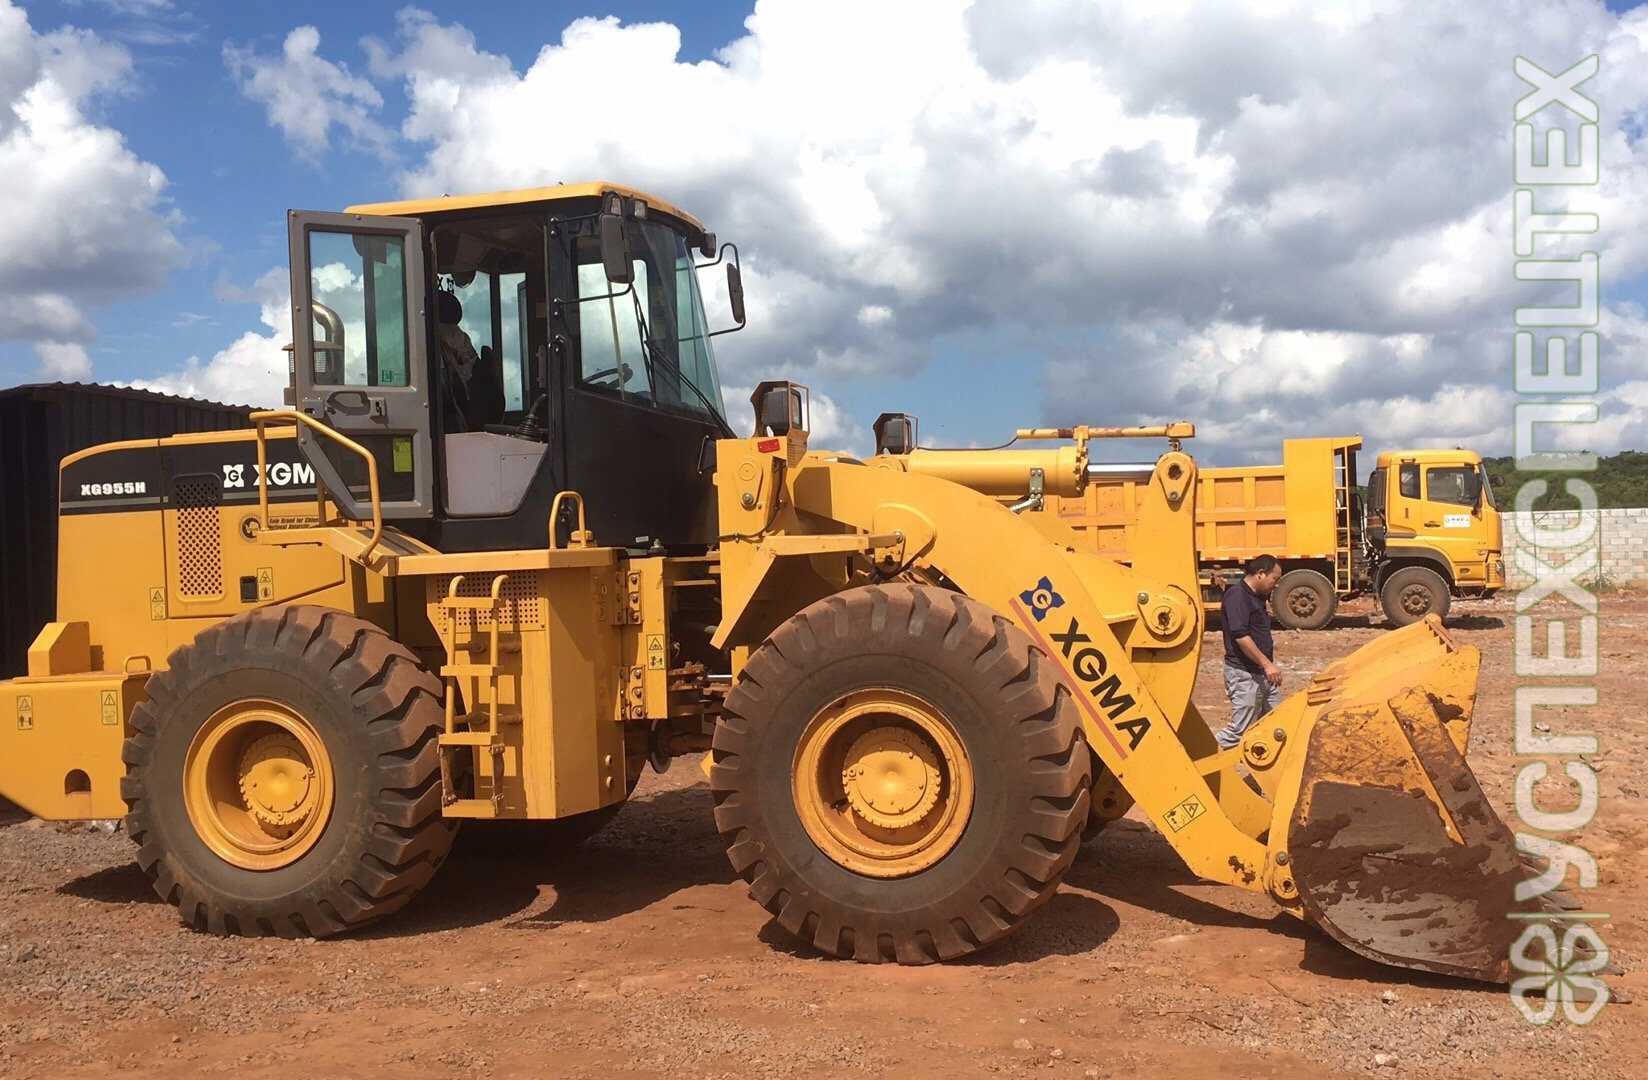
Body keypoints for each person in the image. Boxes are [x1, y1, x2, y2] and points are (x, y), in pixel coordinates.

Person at [1215, 554, 1285, 750]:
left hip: (1262, 674)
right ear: (1261, 574)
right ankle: (1197, 756)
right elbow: (1241, 636)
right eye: (1274, 579)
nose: (1276, 585)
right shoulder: (1237, 596)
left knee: (1279, 723)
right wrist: (1267, 664)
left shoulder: (1257, 597)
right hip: (1244, 675)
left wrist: (1266, 667)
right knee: (1240, 732)